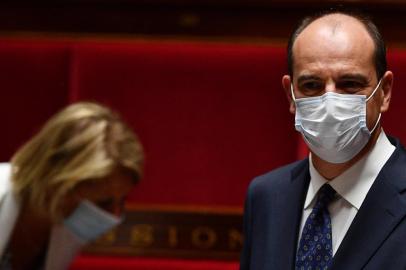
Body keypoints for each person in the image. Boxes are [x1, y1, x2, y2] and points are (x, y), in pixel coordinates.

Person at [240, 9, 406, 270]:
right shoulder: (266, 196)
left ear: (384, 92)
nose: (330, 100)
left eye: (350, 83)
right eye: (311, 86)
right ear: (290, 95)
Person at [0, 102, 144, 270]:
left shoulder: (65, 227)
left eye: (122, 201)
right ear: (55, 182)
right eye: (103, 203)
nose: (115, 216)